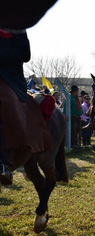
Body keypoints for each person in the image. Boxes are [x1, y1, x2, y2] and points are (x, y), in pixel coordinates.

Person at [0, 30, 53, 185]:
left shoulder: (17, 27)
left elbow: (24, 54)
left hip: (9, 80)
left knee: (5, 102)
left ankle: (5, 163)